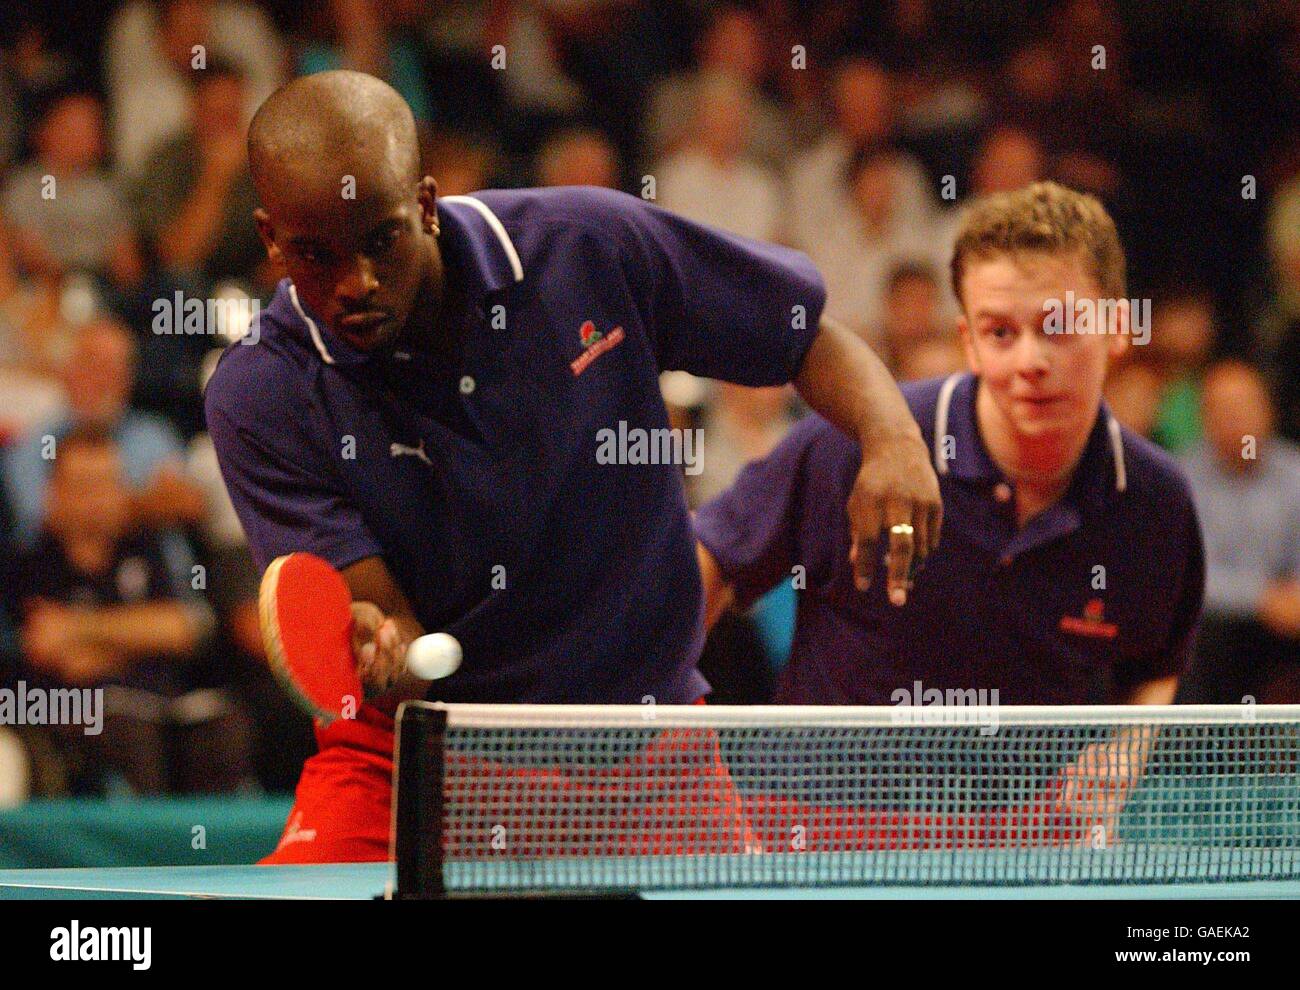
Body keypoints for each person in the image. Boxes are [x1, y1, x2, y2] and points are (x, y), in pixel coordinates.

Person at [204, 71, 941, 863]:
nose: (357, 283)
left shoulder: (586, 245)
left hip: (645, 751)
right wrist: (386, 649)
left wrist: (891, 434)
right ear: (271, 239)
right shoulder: (262, 393)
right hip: (410, 760)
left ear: (424, 203)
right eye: (316, 256)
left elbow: (798, 331)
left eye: (381, 240)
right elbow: (406, 644)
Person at [697, 182, 1205, 711]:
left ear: (1118, 328)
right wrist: (665, 710)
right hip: (815, 793)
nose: (1031, 360)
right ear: (970, 343)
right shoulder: (854, 442)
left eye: (1059, 327)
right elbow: (711, 556)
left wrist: (1118, 755)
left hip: (1033, 797)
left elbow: (1155, 669)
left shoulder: (1156, 501)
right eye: (1001, 333)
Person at [3, 425, 246, 796]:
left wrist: (80, 629)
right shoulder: (29, 564)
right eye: (84, 486)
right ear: (53, 494)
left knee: (225, 726)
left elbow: (183, 628)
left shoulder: (146, 548)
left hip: (167, 706)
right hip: (75, 717)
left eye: (107, 484)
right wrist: (138, 639)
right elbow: (44, 646)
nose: (97, 500)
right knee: (124, 728)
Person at [1178, 361, 1300, 704]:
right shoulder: (1180, 482)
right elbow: (1189, 578)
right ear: (1206, 419)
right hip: (1220, 633)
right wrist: (1260, 598)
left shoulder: (1295, 474)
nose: (1238, 418)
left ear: (1268, 410)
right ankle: (1202, 749)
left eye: (1246, 405)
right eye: (1225, 409)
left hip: (1289, 625)